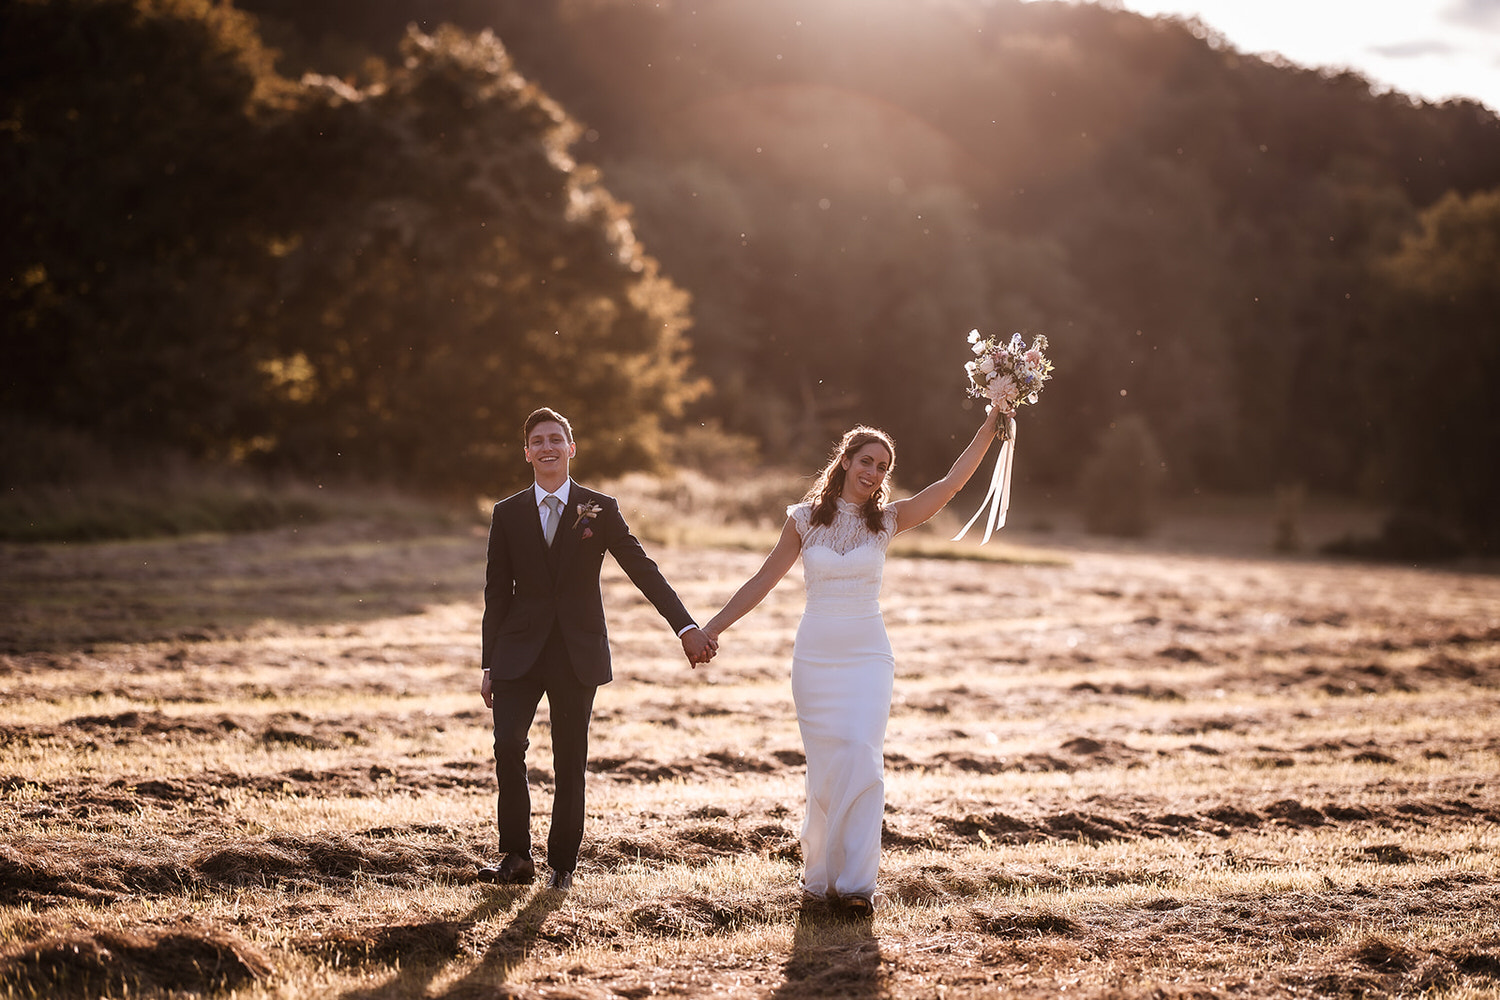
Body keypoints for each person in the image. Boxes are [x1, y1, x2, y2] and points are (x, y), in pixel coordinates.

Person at [703, 406, 1002, 915]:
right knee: (826, 768)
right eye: (866, 461)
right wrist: (711, 628)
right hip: (815, 656)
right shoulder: (802, 520)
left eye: (883, 467)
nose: (874, 473)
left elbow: (951, 484)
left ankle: (858, 887)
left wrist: (993, 421)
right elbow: (762, 580)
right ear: (844, 461)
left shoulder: (888, 520)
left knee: (863, 756)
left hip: (868, 655)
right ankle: (821, 879)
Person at [478, 407, 718, 890]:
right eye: (537, 441)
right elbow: (495, 591)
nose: (546, 447)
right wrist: (489, 662)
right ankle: (516, 858)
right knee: (507, 747)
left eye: (555, 439)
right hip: (516, 654)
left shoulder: (600, 508)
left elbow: (642, 568)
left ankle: (562, 865)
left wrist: (685, 627)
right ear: (527, 453)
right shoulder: (507, 513)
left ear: (571, 448)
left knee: (570, 758)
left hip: (575, 653)